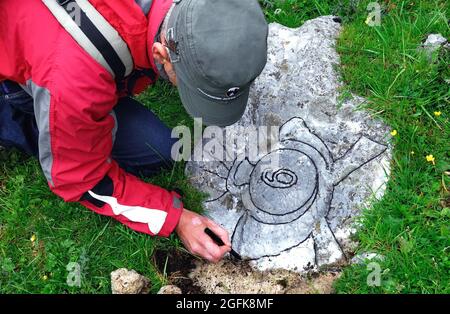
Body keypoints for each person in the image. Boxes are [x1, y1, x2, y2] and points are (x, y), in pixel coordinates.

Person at [0, 0, 268, 263]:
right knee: (158, 151)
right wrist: (175, 218)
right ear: (161, 55)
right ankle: (19, 119)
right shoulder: (74, 86)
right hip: (35, 67)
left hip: (66, 45)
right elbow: (80, 179)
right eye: (188, 84)